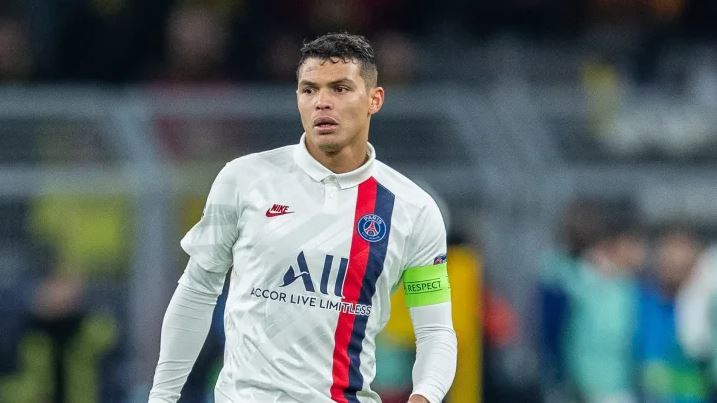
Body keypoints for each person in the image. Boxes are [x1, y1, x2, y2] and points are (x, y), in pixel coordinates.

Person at [148, 32, 457, 403]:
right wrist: (162, 397)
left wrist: (425, 396)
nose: (322, 102)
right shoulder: (243, 179)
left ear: (374, 99)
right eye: (309, 90)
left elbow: (436, 330)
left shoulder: (414, 209)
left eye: (340, 88)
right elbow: (196, 292)